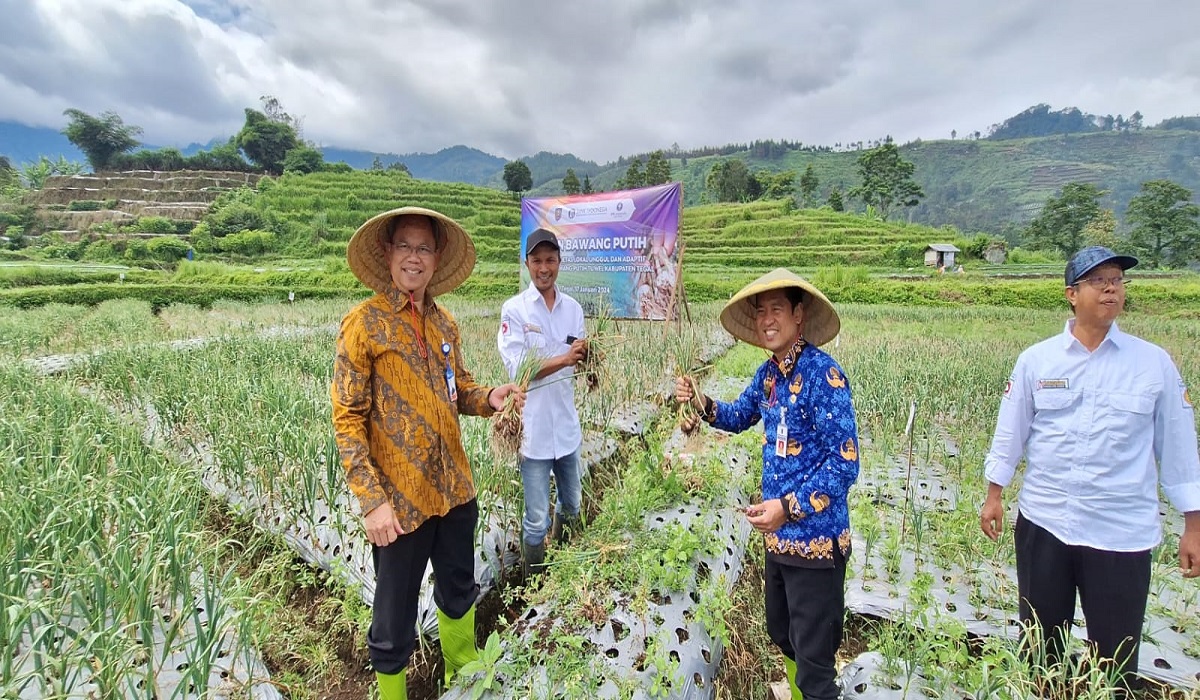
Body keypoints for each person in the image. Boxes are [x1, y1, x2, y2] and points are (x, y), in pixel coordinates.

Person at [980, 246, 1200, 687]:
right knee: (1039, 646)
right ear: (1071, 294)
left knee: (1116, 657)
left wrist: (1192, 525)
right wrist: (994, 494)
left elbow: (1178, 447)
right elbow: (1011, 431)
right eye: (1098, 281)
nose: (1111, 288)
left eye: (1117, 280)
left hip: (1120, 532)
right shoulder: (1038, 361)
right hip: (1045, 521)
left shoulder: (1152, 364)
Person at [331, 207, 524, 700]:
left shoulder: (444, 323)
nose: (414, 258)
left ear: (437, 258)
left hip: (454, 489)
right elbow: (347, 420)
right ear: (388, 253)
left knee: (459, 587)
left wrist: (490, 398)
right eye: (405, 246)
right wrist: (372, 502)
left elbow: (458, 390)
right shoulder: (364, 325)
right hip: (399, 502)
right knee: (393, 611)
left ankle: (462, 673)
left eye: (424, 248)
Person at [674, 268, 859, 700]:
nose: (767, 319)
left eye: (777, 309)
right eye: (761, 312)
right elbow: (738, 415)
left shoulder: (823, 376)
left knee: (815, 664)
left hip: (815, 543)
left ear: (799, 315)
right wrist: (701, 402)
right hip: (778, 541)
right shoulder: (770, 375)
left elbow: (844, 464)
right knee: (782, 632)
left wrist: (787, 508)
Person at [497, 228, 588, 576]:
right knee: (535, 519)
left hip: (566, 427)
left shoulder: (574, 310)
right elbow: (520, 367)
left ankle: (561, 565)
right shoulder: (515, 310)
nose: (544, 267)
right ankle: (535, 581)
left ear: (559, 263)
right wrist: (565, 359)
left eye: (550, 260)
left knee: (572, 505)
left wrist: (586, 357)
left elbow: (578, 356)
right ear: (527, 264)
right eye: (537, 260)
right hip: (532, 433)